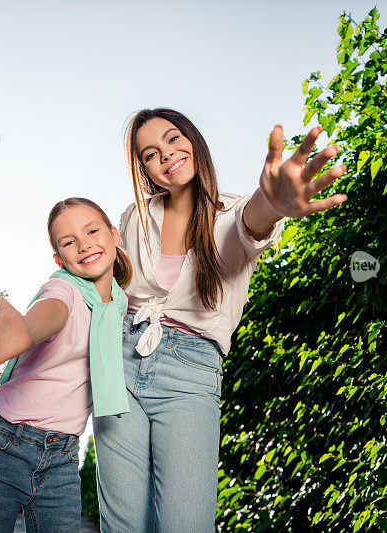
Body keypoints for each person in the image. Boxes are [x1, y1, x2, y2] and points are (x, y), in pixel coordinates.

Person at [92, 108, 347, 532]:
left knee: (185, 524)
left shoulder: (232, 211)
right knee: (123, 526)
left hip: (189, 372)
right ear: (145, 170)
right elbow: (106, 289)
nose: (167, 155)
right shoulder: (134, 217)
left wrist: (274, 202)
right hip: (118, 360)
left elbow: (251, 224)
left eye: (173, 138)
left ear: (193, 138)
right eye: (151, 153)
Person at [0, 197, 133, 533]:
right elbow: (51, 311)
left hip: (62, 458)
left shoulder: (118, 303)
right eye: (69, 242)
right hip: (4, 444)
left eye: (92, 231)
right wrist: (26, 330)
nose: (83, 244)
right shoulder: (65, 288)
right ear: (59, 258)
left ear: (114, 235)